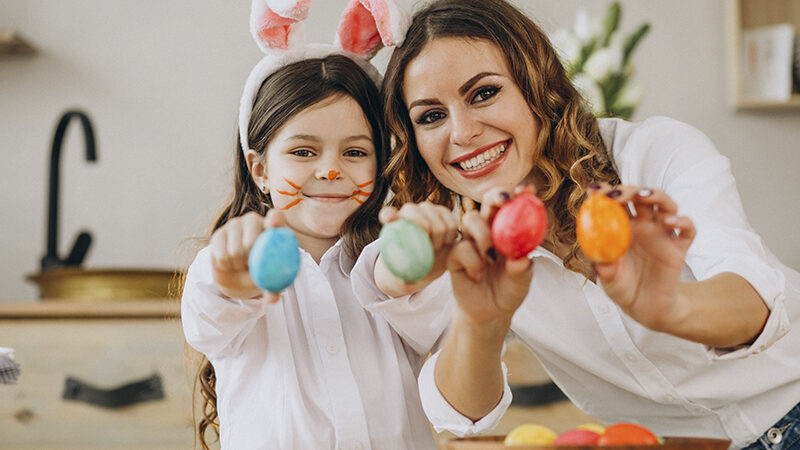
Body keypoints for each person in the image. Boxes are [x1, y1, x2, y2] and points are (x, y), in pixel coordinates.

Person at [351, 0, 800, 448]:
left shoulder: (653, 155)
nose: (462, 132)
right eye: (431, 116)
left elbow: (754, 297)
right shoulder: (467, 240)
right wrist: (479, 322)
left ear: (536, 83)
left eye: (484, 92)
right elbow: (462, 416)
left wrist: (669, 307)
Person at [180, 1, 439, 448]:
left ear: (380, 165)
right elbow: (209, 313)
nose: (331, 171)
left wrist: (414, 272)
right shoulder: (228, 267)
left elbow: (441, 330)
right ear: (259, 169)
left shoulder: (390, 262)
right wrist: (233, 282)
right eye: (303, 152)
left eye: (355, 152)